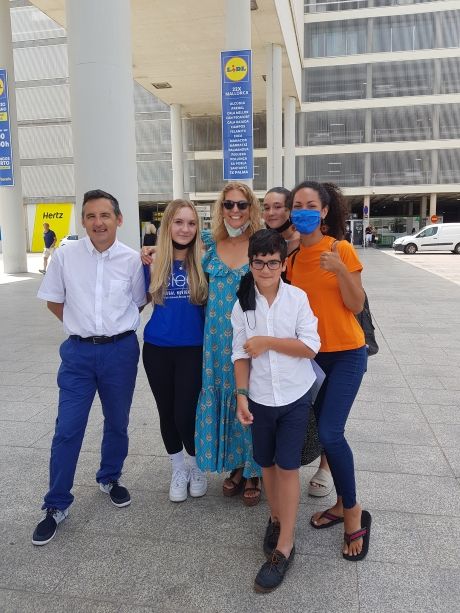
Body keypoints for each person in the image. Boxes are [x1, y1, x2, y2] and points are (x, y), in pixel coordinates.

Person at [32, 189, 146, 546]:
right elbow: (54, 301)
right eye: (91, 216)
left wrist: (111, 330)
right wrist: (82, 326)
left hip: (120, 352)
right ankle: (56, 504)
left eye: (105, 216)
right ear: (83, 220)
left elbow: (138, 303)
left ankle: (110, 477)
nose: (98, 222)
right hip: (78, 355)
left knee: (117, 422)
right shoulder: (66, 257)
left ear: (119, 220)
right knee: (68, 428)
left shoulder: (131, 260)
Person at [286, 180, 372, 561]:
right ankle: (340, 504)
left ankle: (352, 511)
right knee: (326, 434)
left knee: (330, 432)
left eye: (310, 204)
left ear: (322, 212)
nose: (302, 210)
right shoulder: (289, 260)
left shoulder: (341, 249)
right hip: (312, 359)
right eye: (296, 205)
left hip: (348, 355)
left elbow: (355, 305)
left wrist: (340, 270)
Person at [232, 229, 320, 592]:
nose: (265, 269)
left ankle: (285, 545)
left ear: (283, 264)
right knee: (265, 463)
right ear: (250, 264)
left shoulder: (297, 298)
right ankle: (275, 516)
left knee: (286, 467)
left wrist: (268, 343)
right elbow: (239, 352)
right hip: (260, 399)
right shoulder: (242, 304)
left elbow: (311, 347)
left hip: (295, 399)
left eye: (272, 262)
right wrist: (241, 396)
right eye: (258, 262)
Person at [195, 181, 263, 505]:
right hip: (215, 342)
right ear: (221, 209)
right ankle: (235, 465)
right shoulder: (210, 244)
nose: (235, 210)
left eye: (241, 204)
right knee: (224, 395)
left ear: (251, 209)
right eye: (229, 204)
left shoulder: (260, 245)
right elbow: (174, 243)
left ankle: (253, 470)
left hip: (247, 338)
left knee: (247, 398)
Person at [142, 199, 208, 502]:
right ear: (168, 225)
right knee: (166, 412)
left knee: (186, 414)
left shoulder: (205, 259)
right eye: (178, 222)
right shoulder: (151, 261)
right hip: (157, 349)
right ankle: (178, 468)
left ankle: (196, 466)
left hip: (192, 350)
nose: (185, 229)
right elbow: (135, 301)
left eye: (191, 223)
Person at [262, 187, 299, 255]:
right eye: (266, 208)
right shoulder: (261, 242)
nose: (271, 213)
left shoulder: (305, 242)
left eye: (277, 207)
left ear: (291, 209)